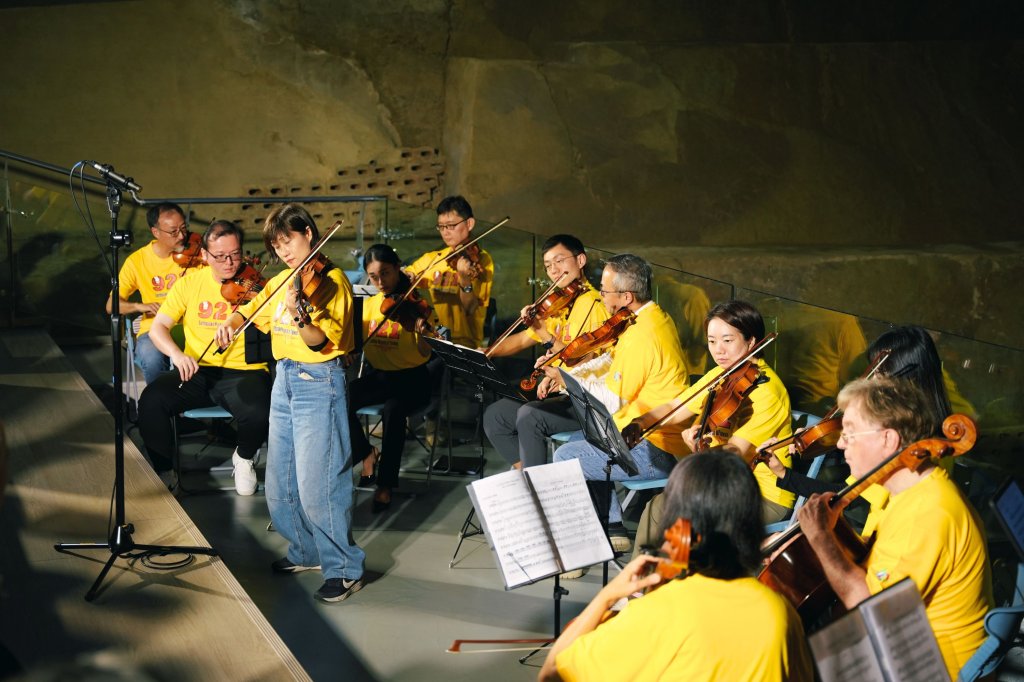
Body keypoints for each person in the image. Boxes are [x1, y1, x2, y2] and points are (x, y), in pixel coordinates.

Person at [539, 450, 812, 682]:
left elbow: (551, 674)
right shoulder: (779, 610)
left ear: (679, 524)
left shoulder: (660, 611)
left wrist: (608, 595)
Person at [216, 204, 365, 604]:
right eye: (277, 245)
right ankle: (306, 550)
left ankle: (346, 569)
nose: (283, 251)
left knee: (320, 484)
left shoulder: (332, 283)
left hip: (319, 381)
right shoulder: (283, 279)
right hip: (283, 380)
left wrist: (299, 313)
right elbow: (249, 310)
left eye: (289, 241)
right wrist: (230, 324)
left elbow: (320, 340)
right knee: (280, 483)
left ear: (309, 235)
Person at [798, 376, 992, 678]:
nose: (839, 444)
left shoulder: (928, 513)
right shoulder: (906, 492)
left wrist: (821, 537)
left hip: (930, 667)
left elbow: (868, 609)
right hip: (908, 643)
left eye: (849, 433)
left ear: (888, 439)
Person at [550, 254, 690, 552]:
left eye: (604, 290)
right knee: (585, 438)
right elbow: (611, 364)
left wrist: (565, 381)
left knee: (565, 457)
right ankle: (612, 527)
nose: (600, 296)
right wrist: (570, 372)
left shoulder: (643, 334)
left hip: (657, 448)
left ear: (626, 296)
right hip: (637, 433)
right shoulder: (649, 318)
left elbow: (611, 400)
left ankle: (581, 545)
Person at [628, 300, 795, 528]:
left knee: (669, 510)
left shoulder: (767, 393)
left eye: (727, 340)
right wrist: (640, 422)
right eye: (712, 341)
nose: (718, 350)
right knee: (660, 507)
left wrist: (698, 450)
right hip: (721, 481)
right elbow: (675, 407)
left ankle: (663, 563)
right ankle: (656, 563)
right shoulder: (721, 375)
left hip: (761, 495)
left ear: (751, 341)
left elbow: (734, 454)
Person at [137, 220, 270, 495]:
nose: (230, 263)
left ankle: (243, 457)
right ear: (206, 256)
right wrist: (177, 354)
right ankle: (165, 470)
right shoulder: (190, 284)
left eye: (235, 254)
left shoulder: (257, 287)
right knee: (151, 400)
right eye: (220, 256)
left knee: (259, 412)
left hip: (246, 371)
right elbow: (158, 327)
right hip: (198, 370)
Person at [482, 234, 610, 469]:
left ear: (580, 260)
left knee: (529, 415)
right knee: (496, 416)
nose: (553, 270)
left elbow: (589, 361)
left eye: (559, 261)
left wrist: (545, 335)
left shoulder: (595, 305)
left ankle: (538, 486)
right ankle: (526, 474)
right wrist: (485, 351)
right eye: (548, 266)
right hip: (555, 389)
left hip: (582, 398)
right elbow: (521, 339)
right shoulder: (558, 306)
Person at [347, 244, 436, 513]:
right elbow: (354, 342)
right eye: (373, 277)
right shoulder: (370, 306)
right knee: (340, 397)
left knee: (393, 411)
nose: (380, 282)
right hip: (381, 376)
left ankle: (385, 484)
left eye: (385, 273)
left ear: (398, 268)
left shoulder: (418, 306)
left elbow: (426, 353)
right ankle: (366, 453)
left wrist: (422, 333)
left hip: (414, 379)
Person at [105, 202, 195, 385]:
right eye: (173, 232)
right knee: (152, 358)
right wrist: (140, 306)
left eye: (184, 229)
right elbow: (111, 305)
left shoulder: (196, 254)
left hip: (193, 325)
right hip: (154, 328)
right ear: (156, 232)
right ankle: (160, 407)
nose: (182, 236)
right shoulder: (138, 261)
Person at [406, 195, 494, 349]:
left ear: (469, 223)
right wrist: (408, 276)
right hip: (437, 338)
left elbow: (471, 308)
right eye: (441, 226)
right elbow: (407, 274)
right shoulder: (435, 258)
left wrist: (464, 278)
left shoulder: (481, 261)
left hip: (467, 344)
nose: (445, 232)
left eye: (451, 225)